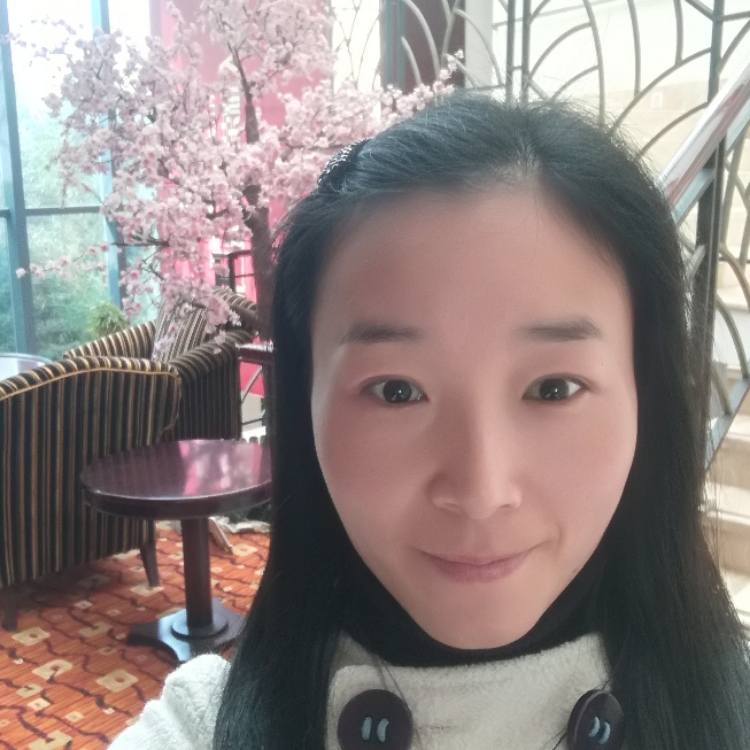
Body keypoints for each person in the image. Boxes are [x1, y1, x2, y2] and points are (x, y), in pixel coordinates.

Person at [109, 94, 750, 750]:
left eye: (553, 389)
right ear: (305, 403)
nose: (480, 491)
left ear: (646, 397)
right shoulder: (203, 727)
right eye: (396, 391)